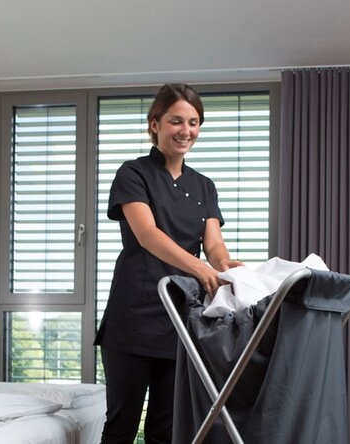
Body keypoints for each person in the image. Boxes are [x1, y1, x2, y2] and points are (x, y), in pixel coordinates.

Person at [95, 83, 242, 444]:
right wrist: (200, 268)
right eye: (176, 121)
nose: (185, 130)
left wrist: (224, 264)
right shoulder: (133, 173)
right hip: (133, 316)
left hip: (179, 318)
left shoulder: (204, 186)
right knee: (122, 425)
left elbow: (213, 244)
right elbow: (147, 234)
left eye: (193, 122)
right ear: (155, 124)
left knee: (167, 429)